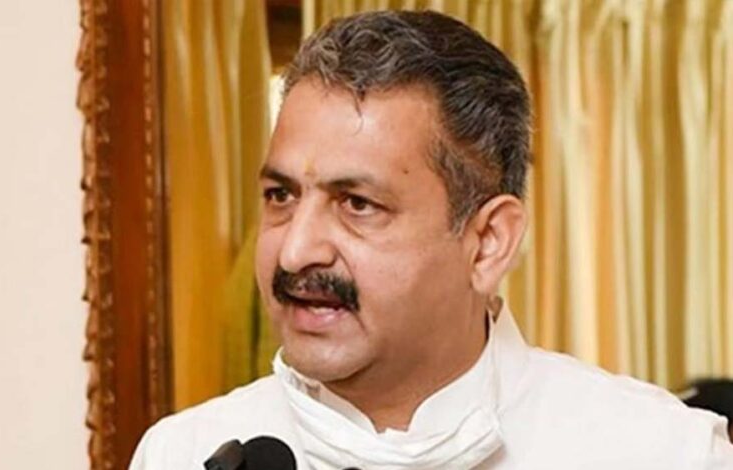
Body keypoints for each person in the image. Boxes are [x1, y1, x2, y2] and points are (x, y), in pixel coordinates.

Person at [129, 10, 733, 470]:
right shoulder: (180, 454)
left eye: (357, 204)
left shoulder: (664, 452)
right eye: (281, 196)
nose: (294, 252)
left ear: (488, 243)